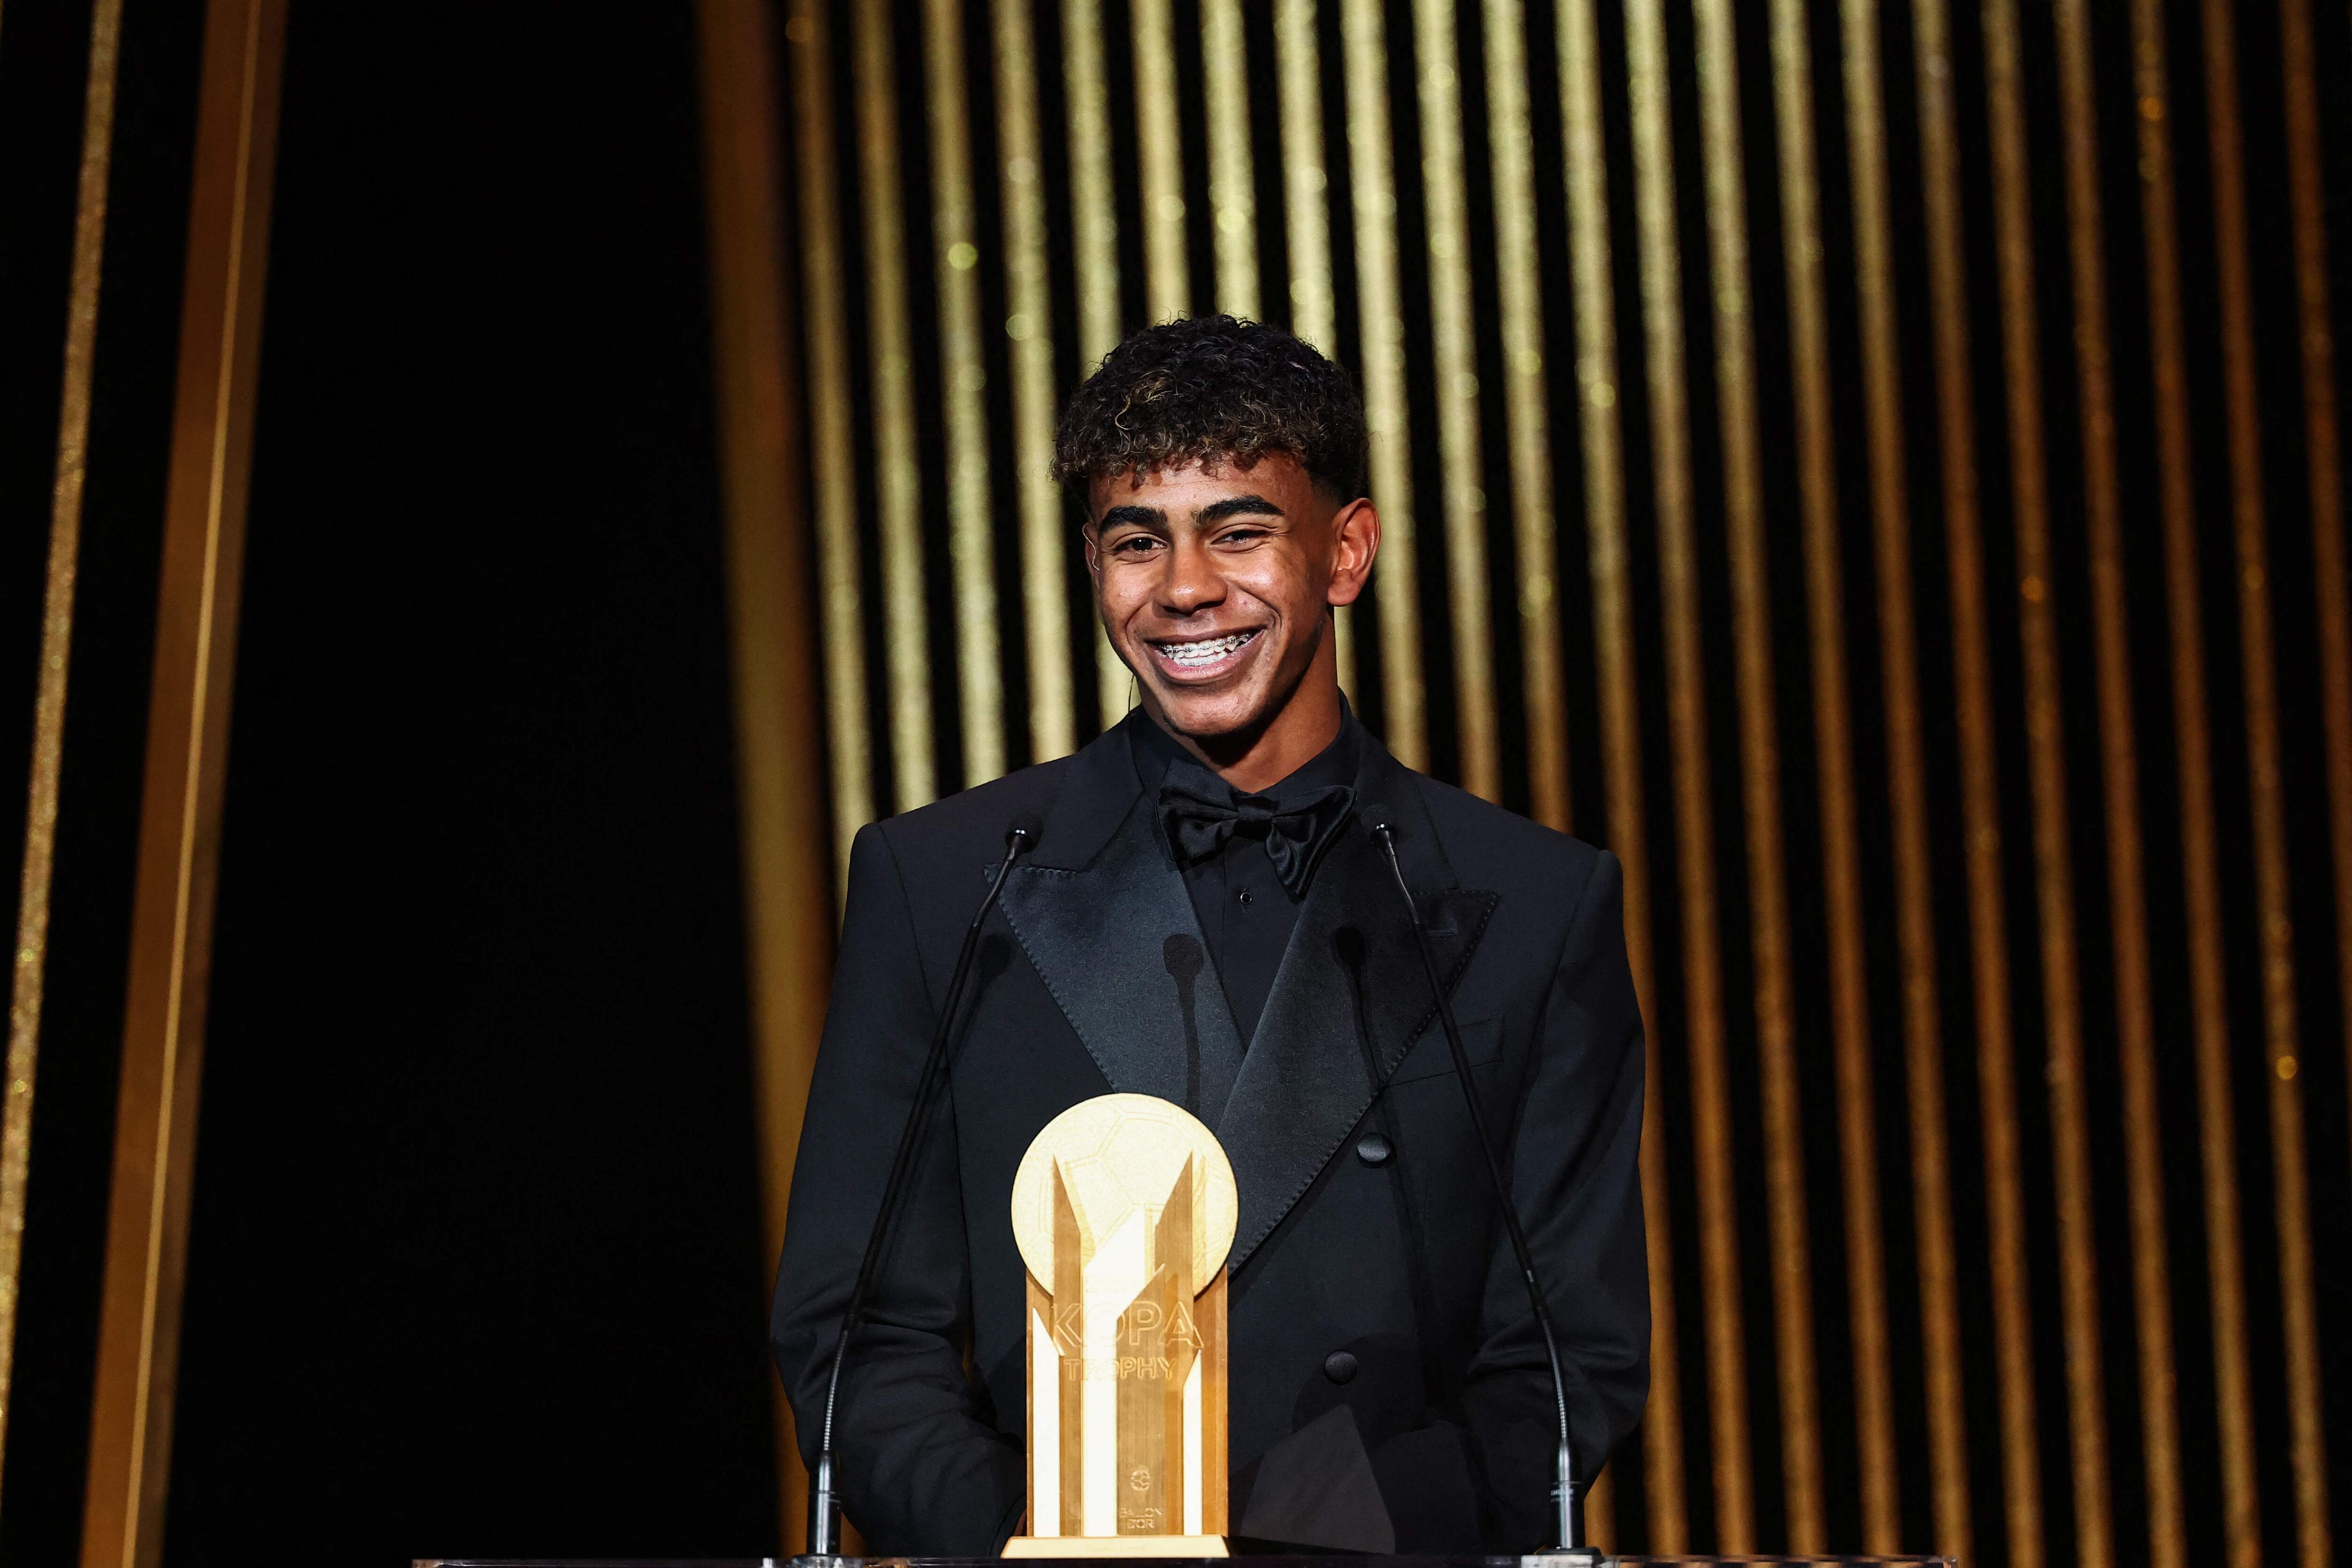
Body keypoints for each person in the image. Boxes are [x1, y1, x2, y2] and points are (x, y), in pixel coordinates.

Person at [772, 316, 1648, 1555]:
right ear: (1095, 567)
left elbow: (1570, 1357)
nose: (1184, 588)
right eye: (1140, 541)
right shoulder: (942, 881)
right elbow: (856, 1334)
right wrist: (1035, 1538)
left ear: (1346, 552)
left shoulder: (1536, 903)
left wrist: (1316, 1537)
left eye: (1240, 531)